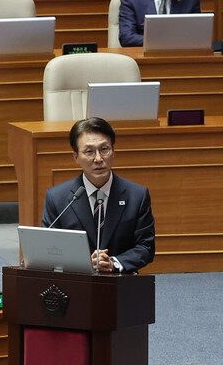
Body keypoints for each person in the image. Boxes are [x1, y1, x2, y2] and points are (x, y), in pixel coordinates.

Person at [40, 117, 155, 273]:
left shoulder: (137, 196)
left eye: (104, 149)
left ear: (113, 151)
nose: (99, 159)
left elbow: (145, 247)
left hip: (120, 283)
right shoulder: (57, 198)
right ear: (75, 156)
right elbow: (50, 248)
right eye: (89, 152)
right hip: (76, 282)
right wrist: (86, 263)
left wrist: (113, 262)